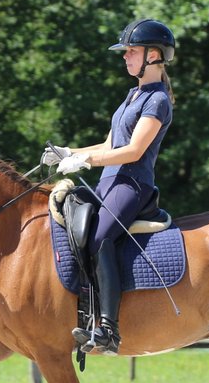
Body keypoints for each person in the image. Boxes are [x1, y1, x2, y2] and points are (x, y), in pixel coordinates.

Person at [42, 18, 176, 355]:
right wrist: (70, 153)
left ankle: (108, 328)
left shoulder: (157, 100)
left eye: (131, 51)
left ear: (154, 55)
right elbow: (109, 144)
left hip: (132, 183)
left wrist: (85, 163)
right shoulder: (133, 95)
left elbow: (132, 151)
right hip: (109, 181)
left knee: (101, 237)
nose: (125, 57)